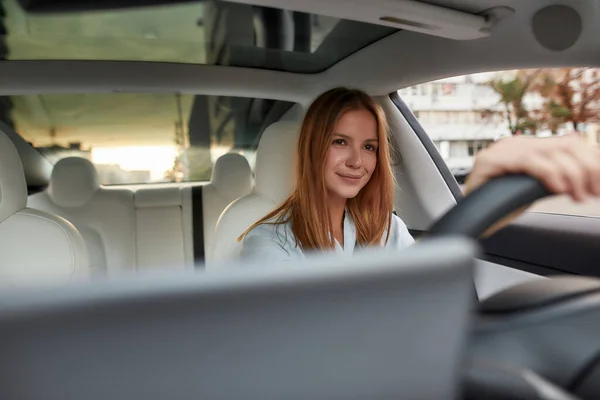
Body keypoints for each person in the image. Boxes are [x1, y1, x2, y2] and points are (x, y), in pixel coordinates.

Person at [239, 87, 600, 262]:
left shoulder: (386, 229)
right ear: (312, 148)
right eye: (339, 141)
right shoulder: (268, 244)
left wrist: (481, 198)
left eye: (369, 147)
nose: (357, 161)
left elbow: (427, 280)